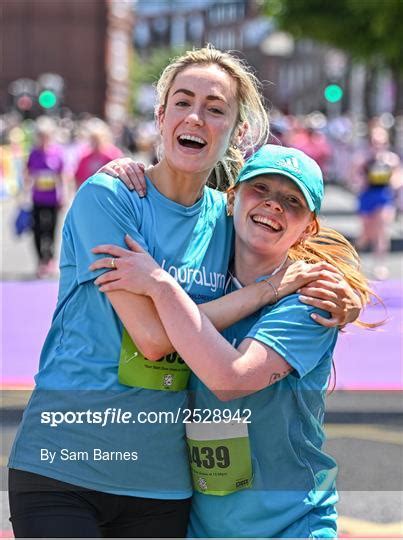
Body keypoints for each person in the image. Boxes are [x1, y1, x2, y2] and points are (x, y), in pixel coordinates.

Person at [8, 47, 359, 538]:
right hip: (67, 463)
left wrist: (345, 298)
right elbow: (153, 337)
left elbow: (283, 241)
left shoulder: (226, 217)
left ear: (235, 133)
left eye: (215, 108)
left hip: (163, 487)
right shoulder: (113, 197)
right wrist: (262, 293)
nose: (196, 116)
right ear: (160, 115)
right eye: (182, 102)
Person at [92, 144, 376, 538]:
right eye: (261, 189)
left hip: (291, 524)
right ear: (233, 197)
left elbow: (232, 379)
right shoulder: (202, 277)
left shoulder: (309, 298)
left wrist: (159, 285)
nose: (274, 205)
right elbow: (169, 199)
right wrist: (119, 171)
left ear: (308, 226)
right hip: (202, 525)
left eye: (292, 201)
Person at [354, 125, 400, 280]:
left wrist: (394, 183)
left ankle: (380, 265)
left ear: (386, 143)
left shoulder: (391, 159)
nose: (378, 146)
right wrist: (361, 181)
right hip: (367, 196)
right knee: (366, 234)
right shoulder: (363, 158)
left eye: (381, 143)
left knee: (381, 230)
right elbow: (353, 174)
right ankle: (354, 257)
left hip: (383, 195)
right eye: (375, 142)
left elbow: (398, 176)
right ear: (370, 143)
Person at [24, 117, 65, 278]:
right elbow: (27, 174)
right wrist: (24, 195)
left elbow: (63, 176)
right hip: (37, 197)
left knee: (51, 230)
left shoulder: (57, 152)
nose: (43, 138)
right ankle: (41, 261)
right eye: (40, 135)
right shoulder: (33, 153)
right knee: (37, 230)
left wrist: (64, 195)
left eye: (46, 135)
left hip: (53, 198)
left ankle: (51, 260)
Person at [74, 118, 122, 190]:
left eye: (98, 139)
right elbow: (78, 178)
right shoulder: (85, 157)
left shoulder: (113, 155)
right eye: (92, 139)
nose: (95, 143)